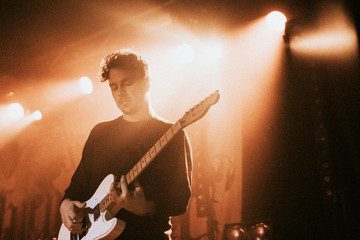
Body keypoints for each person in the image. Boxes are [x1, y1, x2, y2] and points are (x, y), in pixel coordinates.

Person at [59, 49, 192, 240]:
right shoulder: (100, 133)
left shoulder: (172, 134)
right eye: (114, 87)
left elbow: (180, 199)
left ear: (147, 83)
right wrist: (65, 205)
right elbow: (76, 188)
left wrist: (145, 208)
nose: (120, 93)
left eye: (127, 83)